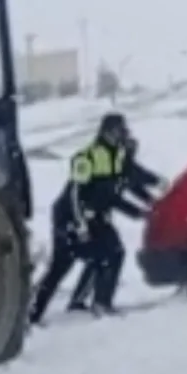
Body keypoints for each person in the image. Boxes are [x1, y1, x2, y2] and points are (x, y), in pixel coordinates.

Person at [30, 113, 152, 324]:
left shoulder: (116, 157)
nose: (123, 136)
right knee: (62, 265)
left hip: (96, 217)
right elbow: (75, 194)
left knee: (112, 253)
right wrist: (80, 225)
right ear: (107, 133)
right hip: (71, 218)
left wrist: (140, 211)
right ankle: (33, 313)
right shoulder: (88, 157)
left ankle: (93, 302)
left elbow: (112, 195)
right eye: (119, 132)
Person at [67, 134, 165, 312]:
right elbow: (118, 194)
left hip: (95, 215)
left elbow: (135, 183)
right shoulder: (112, 166)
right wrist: (141, 210)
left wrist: (151, 202)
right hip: (90, 215)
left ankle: (82, 300)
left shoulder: (119, 166)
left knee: (101, 257)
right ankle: (100, 302)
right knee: (112, 254)